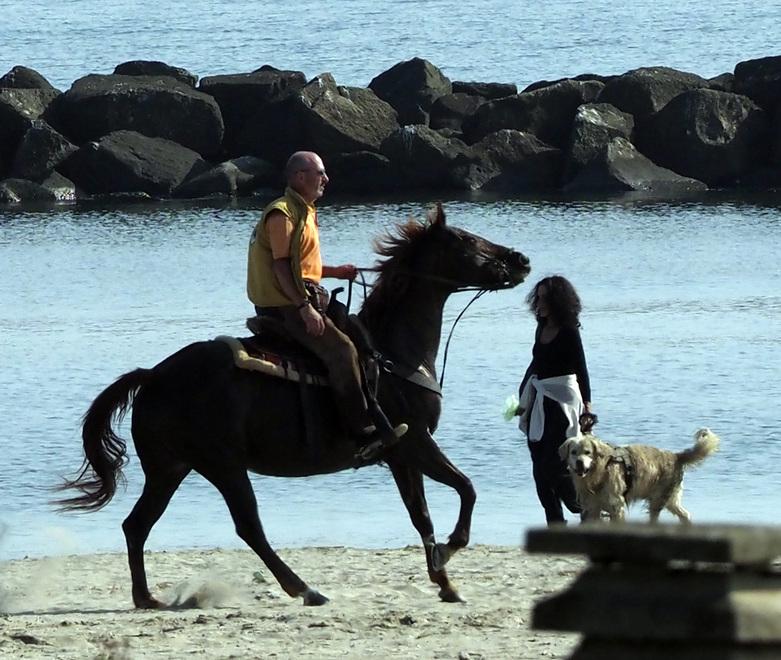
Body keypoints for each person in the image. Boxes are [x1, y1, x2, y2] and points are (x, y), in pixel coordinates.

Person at [247, 151, 407, 460]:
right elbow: (281, 268)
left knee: (363, 338)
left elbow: (301, 267)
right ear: (299, 177)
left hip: (299, 295)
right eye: (320, 173)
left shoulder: (303, 210)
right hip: (285, 306)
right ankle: (359, 432)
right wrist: (304, 309)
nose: (326, 179)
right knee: (342, 351)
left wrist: (335, 272)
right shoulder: (282, 214)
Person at [517, 275, 595, 526]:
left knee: (555, 466)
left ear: (557, 301)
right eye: (537, 298)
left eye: (544, 298)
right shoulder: (541, 327)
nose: (538, 303)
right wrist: (522, 396)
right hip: (539, 401)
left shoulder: (569, 332)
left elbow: (581, 370)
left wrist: (588, 407)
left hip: (563, 402)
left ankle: (584, 507)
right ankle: (555, 525)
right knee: (539, 469)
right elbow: (536, 364)